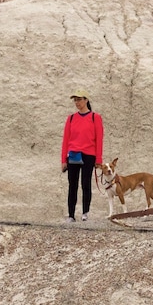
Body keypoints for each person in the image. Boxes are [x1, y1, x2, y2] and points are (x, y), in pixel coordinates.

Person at [61, 89, 104, 222]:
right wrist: (63, 160)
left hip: (88, 155)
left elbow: (99, 139)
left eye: (79, 99)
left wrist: (98, 159)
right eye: (75, 100)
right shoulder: (71, 118)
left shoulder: (95, 117)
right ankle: (71, 215)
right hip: (73, 154)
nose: (77, 102)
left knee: (86, 184)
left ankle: (85, 213)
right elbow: (66, 140)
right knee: (72, 185)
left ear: (86, 100)